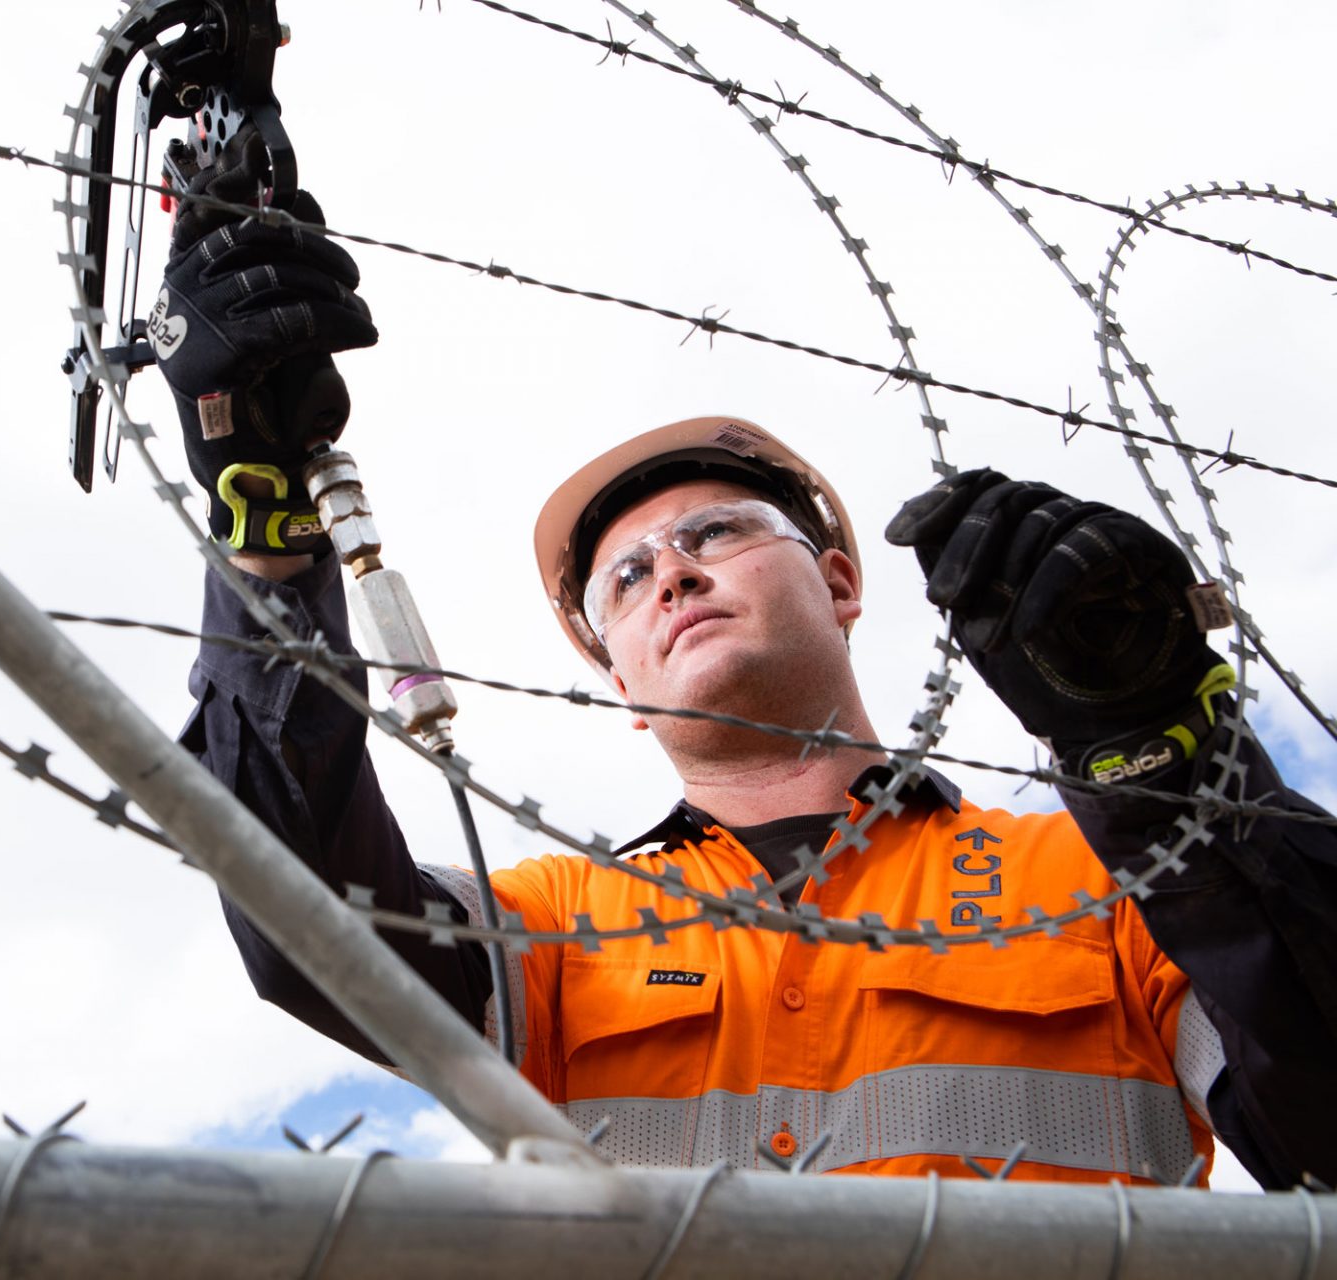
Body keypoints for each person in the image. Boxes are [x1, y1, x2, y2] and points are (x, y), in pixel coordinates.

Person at [154, 173, 1337, 1186]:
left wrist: (1161, 757)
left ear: (837, 582)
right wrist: (267, 517)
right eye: (623, 579)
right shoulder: (559, 926)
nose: (669, 570)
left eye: (716, 531)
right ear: (617, 676)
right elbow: (300, 904)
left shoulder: (1095, 879)